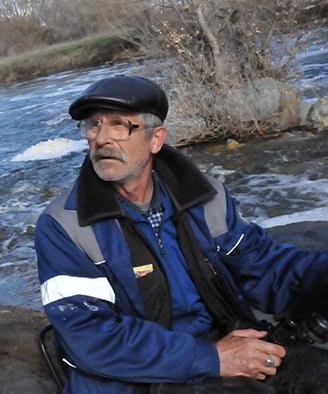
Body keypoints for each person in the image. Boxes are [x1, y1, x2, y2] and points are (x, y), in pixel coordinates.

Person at [34, 75, 328, 393]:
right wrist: (210, 358)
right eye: (93, 125)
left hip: (223, 345)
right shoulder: (63, 225)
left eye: (119, 125)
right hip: (137, 376)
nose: (102, 138)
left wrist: (320, 275)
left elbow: (262, 266)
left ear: (156, 139)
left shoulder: (205, 196)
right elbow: (89, 336)